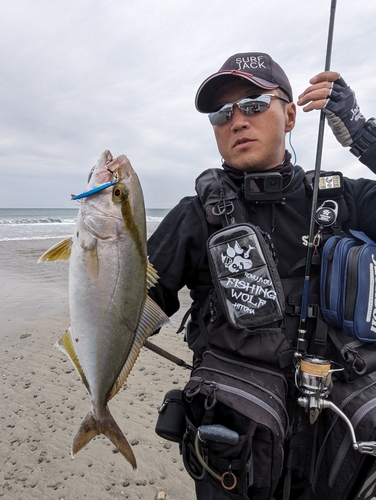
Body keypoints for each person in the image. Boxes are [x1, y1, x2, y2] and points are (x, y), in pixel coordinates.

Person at [148, 52, 376, 500]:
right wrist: (104, 256)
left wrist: (364, 137)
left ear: (290, 115)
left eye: (254, 104)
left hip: (339, 446)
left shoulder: (342, 201)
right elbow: (135, 311)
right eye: (221, 113)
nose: (237, 121)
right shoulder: (194, 217)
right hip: (236, 458)